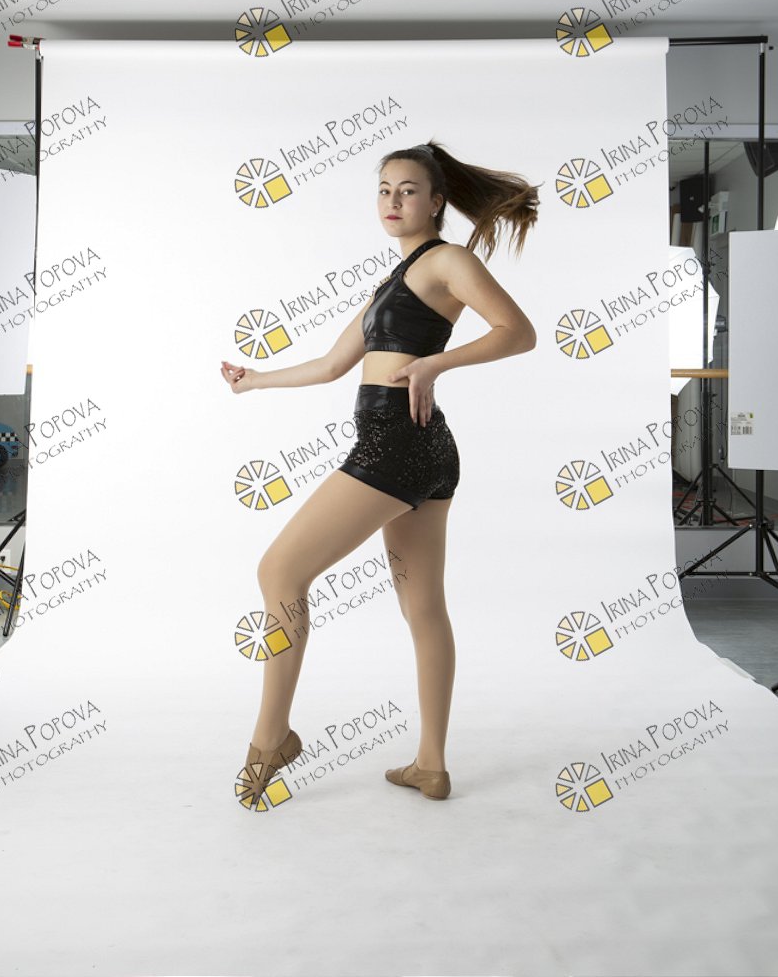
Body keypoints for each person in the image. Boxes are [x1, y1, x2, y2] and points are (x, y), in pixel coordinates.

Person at [221, 140, 541, 807]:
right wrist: (256, 380)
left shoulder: (447, 260)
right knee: (423, 607)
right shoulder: (396, 280)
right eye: (384, 190)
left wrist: (434, 365)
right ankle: (431, 765)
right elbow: (332, 365)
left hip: (394, 445)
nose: (393, 201)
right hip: (421, 450)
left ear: (437, 201)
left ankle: (271, 738)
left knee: (279, 573)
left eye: (408, 190)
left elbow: (518, 331)